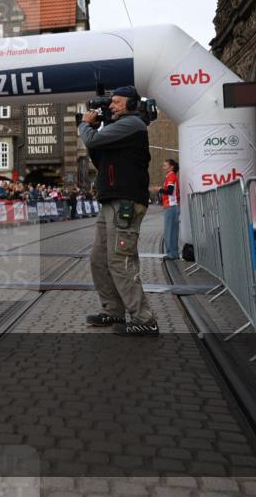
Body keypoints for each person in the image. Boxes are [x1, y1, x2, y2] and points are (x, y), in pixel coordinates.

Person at [78, 86, 158, 336]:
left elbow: (90, 139)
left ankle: (144, 318)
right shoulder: (118, 129)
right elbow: (99, 159)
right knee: (99, 260)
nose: (111, 106)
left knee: (120, 259)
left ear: (133, 104)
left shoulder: (132, 124)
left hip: (125, 201)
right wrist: (95, 130)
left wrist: (85, 124)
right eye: (110, 102)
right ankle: (113, 310)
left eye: (117, 102)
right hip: (111, 201)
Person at [160, 159, 181, 260]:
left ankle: (171, 254)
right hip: (172, 206)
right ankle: (174, 253)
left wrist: (158, 189)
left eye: (165, 166)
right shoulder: (170, 176)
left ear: (171, 167)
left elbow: (169, 191)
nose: (163, 168)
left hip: (171, 206)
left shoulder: (171, 176)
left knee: (169, 230)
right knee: (172, 230)